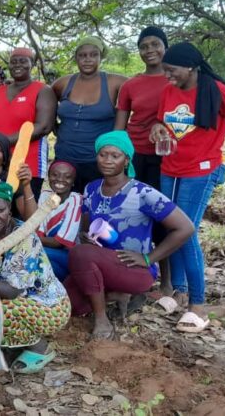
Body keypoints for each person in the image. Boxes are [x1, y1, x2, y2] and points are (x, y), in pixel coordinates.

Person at [150, 42, 225, 332]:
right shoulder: (169, 91)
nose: (168, 76)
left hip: (201, 169)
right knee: (172, 229)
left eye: (172, 70)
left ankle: (199, 305)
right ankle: (178, 292)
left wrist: (215, 136)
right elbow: (161, 120)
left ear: (191, 66)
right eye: (166, 71)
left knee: (186, 231)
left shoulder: (217, 91)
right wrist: (158, 128)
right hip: (170, 167)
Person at [64, 131, 194, 339]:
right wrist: (87, 236)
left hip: (134, 269)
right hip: (99, 266)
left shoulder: (142, 193)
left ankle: (102, 320)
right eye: (103, 154)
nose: (107, 161)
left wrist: (148, 258)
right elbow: (86, 227)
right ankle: (114, 295)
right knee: (67, 304)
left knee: (80, 254)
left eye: (115, 156)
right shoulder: (91, 189)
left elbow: (185, 228)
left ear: (126, 160)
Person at [0, 180, 70, 373]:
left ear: (9, 208)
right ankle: (5, 345)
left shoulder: (25, 238)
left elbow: (13, 291)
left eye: (0, 210)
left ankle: (40, 348)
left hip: (46, 305)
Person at [115, 27, 171, 291]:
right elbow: (119, 127)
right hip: (135, 157)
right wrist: (117, 158)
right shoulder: (131, 84)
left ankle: (167, 281)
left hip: (167, 159)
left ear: (165, 46)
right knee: (133, 215)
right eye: (144, 46)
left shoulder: (176, 79)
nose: (150, 50)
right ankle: (130, 275)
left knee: (163, 216)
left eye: (155, 44)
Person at [52, 36, 129, 193]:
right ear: (76, 58)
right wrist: (55, 128)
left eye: (93, 55)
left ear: (101, 57)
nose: (88, 59)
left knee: (97, 207)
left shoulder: (114, 82)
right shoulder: (64, 83)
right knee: (65, 207)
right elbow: (45, 102)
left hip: (99, 163)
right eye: (82, 55)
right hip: (65, 159)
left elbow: (143, 91)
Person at [0, 48, 56, 196]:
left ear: (32, 64)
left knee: (24, 211)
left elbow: (43, 126)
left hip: (28, 164)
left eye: (22, 61)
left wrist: (2, 143)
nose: (17, 65)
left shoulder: (43, 90)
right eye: (13, 62)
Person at [28, 160, 82, 281]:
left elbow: (60, 242)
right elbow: (40, 230)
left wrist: (28, 240)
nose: (60, 179)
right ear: (48, 177)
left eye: (67, 177)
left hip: (70, 256)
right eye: (55, 175)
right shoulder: (45, 196)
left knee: (31, 253)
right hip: (48, 251)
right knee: (41, 263)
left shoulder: (76, 200)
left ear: (73, 181)